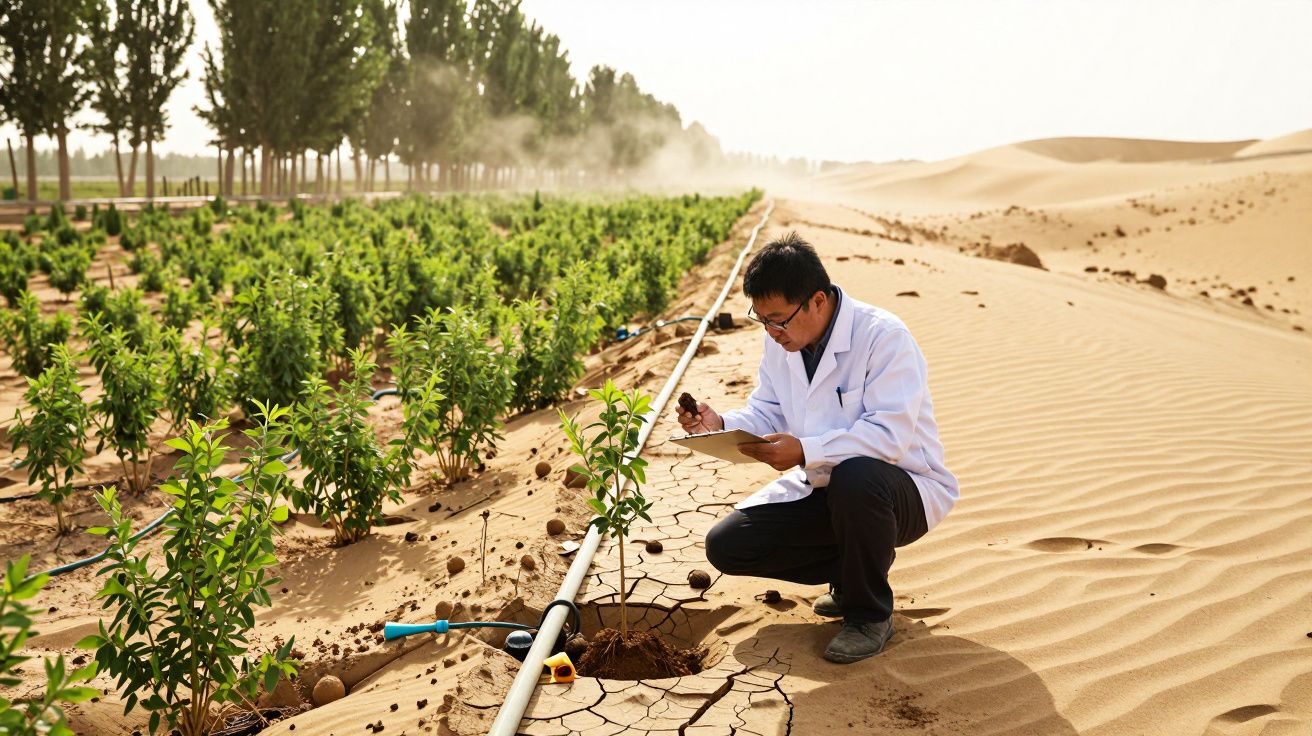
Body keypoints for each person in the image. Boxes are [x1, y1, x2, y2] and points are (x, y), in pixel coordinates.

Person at [675, 231, 958, 664]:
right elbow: (769, 410)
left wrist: (805, 451)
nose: (771, 332)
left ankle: (867, 614)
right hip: (827, 490)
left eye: (779, 319)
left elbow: (888, 437)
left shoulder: (883, 337)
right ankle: (850, 574)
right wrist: (721, 424)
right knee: (727, 545)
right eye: (762, 319)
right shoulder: (783, 345)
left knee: (856, 476)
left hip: (901, 490)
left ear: (818, 301)